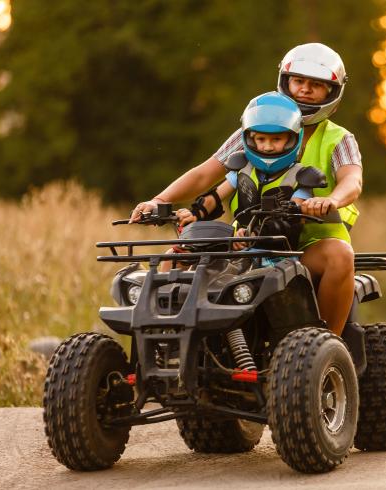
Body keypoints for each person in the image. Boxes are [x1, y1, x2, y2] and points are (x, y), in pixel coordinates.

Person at [131, 43, 362, 336]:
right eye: (299, 81)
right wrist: (159, 200)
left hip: (309, 244)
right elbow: (206, 174)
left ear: (332, 92)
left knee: (341, 255)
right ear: (285, 82)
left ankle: (329, 348)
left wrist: (329, 200)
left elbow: (352, 180)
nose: (305, 90)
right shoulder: (255, 129)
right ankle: (165, 340)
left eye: (316, 85)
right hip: (246, 241)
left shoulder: (338, 138)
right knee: (171, 259)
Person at [159, 91, 319, 271]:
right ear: (250, 139)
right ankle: (168, 298)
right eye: (261, 139)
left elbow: (292, 218)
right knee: (172, 258)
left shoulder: (302, 177)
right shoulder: (242, 168)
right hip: (236, 246)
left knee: (232, 276)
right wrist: (194, 214)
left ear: (292, 138)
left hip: (276, 256)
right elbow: (215, 197)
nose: (267, 146)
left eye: (276, 139)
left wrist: (252, 235)